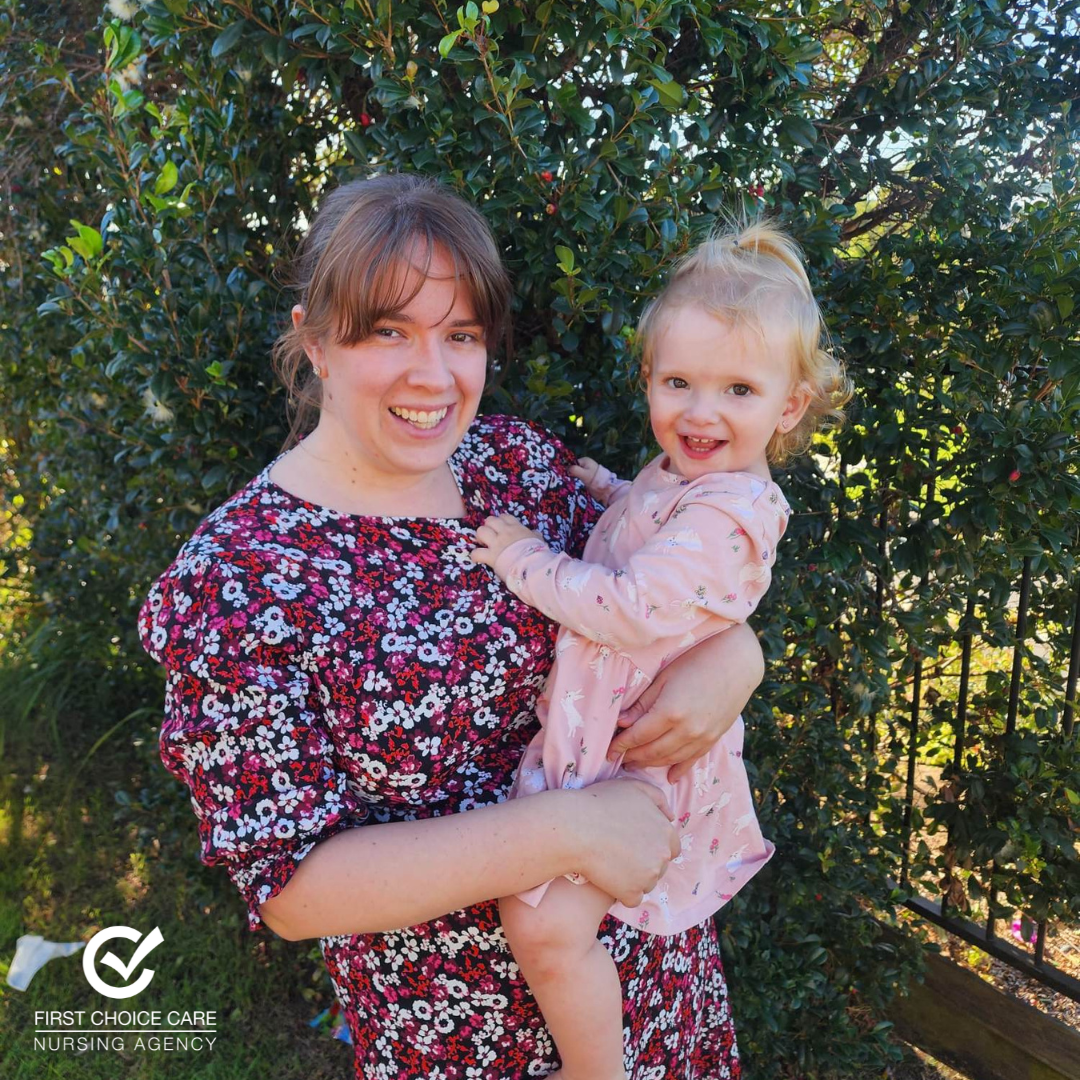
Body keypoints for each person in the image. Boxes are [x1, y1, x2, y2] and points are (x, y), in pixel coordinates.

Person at [137, 173, 768, 1079]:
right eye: (387, 331)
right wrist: (570, 830)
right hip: (465, 1043)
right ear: (315, 338)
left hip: (659, 994)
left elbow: (668, 596)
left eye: (460, 335)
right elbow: (293, 888)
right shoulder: (239, 580)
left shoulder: (515, 467)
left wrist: (736, 657)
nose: (432, 375)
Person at [471, 222, 852, 1080]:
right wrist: (606, 485)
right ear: (647, 377)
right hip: (619, 733)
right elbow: (653, 519)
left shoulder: (729, 511)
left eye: (739, 390)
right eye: (678, 381)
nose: (700, 410)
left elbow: (636, 606)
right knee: (546, 916)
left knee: (544, 925)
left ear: (789, 405)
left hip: (638, 754)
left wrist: (524, 557)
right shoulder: (695, 480)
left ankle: (594, 1069)